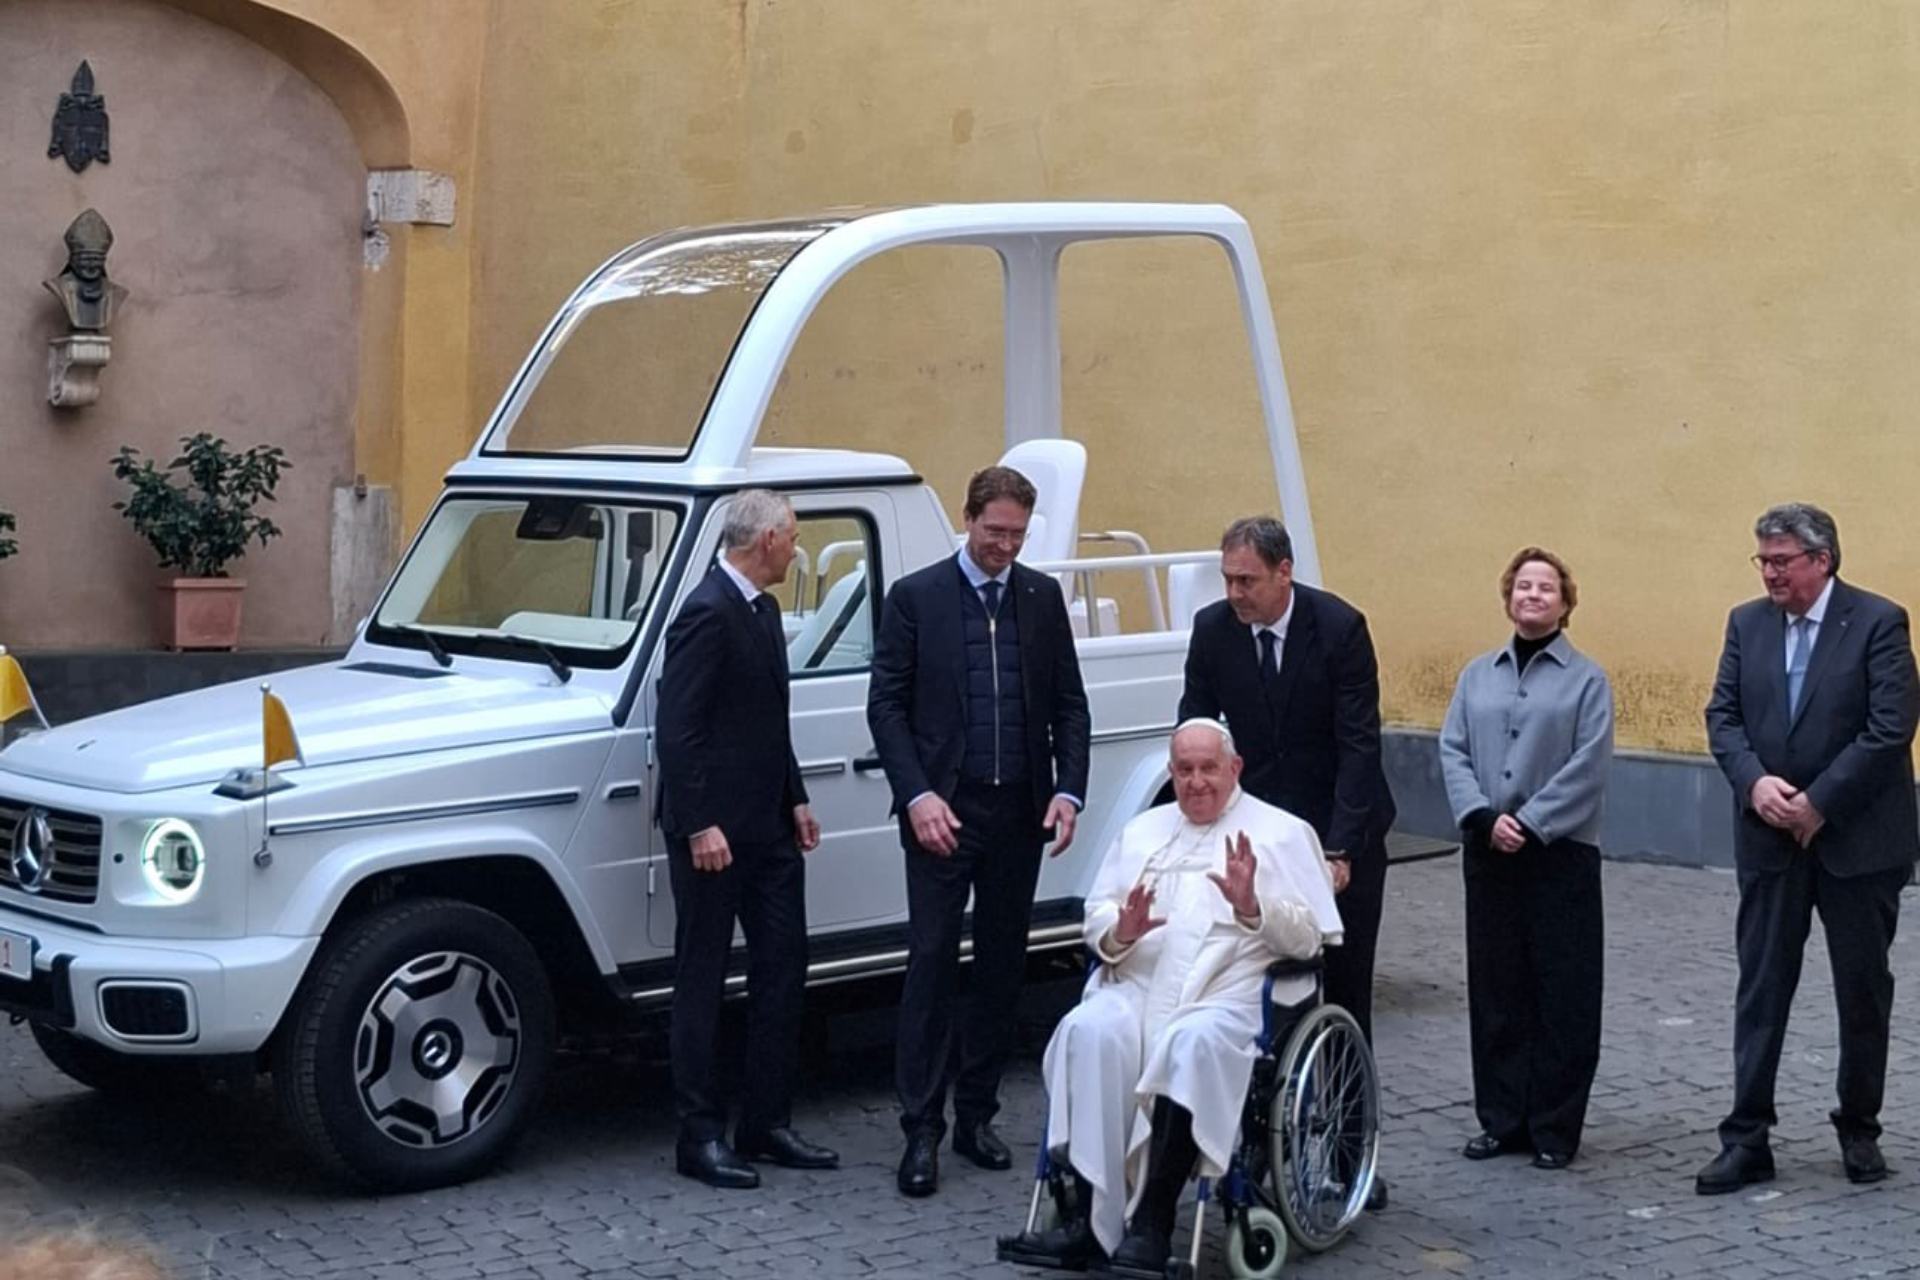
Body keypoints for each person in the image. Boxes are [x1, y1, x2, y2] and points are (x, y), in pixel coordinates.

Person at [998, 720, 1343, 1275]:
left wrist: (1253, 906)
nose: (1196, 782)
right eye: (1184, 770)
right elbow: (1100, 914)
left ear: (1235, 769)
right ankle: (1091, 1223)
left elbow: (1310, 940)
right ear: (1171, 772)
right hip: (1136, 985)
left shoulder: (1281, 832)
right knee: (1089, 1030)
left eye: (1209, 768)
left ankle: (1153, 1225)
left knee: (1189, 1042)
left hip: (1227, 999)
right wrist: (1121, 931)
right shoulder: (1142, 830)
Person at [868, 464, 1092, 1197]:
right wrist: (916, 796)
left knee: (1001, 964)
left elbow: (1069, 705)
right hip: (944, 808)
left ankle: (977, 1114)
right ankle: (921, 1129)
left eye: (1018, 535)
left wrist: (1068, 791)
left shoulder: (1040, 597)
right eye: (995, 531)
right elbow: (887, 708)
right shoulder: (916, 598)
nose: (1005, 546)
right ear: (968, 519)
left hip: (1017, 809)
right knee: (931, 962)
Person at [1697, 502, 1918, 1194]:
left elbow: (1890, 728)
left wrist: (1819, 803)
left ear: (1822, 561)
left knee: (1861, 990)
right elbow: (1723, 715)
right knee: (1761, 988)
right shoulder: (1746, 623)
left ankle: (1859, 1127)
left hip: (1856, 842)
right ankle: (1747, 1137)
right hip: (1769, 838)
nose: (1769, 573)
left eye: (1781, 560)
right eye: (1762, 560)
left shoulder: (1878, 623)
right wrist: (1756, 784)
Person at [656, 489, 837, 1188]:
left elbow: (768, 720)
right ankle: (698, 1134)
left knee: (782, 970)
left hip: (767, 829)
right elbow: (680, 727)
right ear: (764, 541)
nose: (796, 549)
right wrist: (700, 822)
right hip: (713, 835)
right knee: (701, 979)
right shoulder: (706, 612)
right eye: (791, 537)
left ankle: (766, 1121)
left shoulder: (761, 611)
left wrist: (795, 798)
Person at [1439, 547, 1613, 1171]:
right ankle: (1502, 1118)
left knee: (1562, 992)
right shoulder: (1476, 675)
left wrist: (1533, 823)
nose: (1533, 596)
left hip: (1558, 853)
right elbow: (1452, 749)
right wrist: (1483, 818)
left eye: (1546, 588)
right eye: (1523, 586)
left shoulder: (1587, 680)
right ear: (1509, 597)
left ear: (1566, 603)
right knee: (1497, 990)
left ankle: (1554, 1125)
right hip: (1489, 851)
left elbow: (1588, 765)